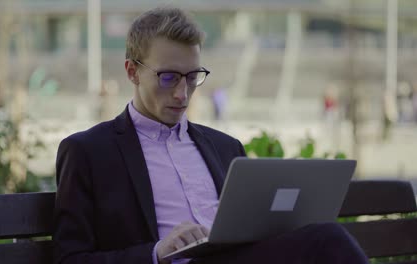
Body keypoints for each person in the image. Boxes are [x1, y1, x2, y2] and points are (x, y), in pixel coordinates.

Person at [54, 7, 369, 264]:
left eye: (192, 77)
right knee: (328, 239)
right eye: (168, 77)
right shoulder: (87, 151)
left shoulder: (225, 147)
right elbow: (70, 259)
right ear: (132, 72)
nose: (182, 94)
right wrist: (156, 252)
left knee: (324, 236)